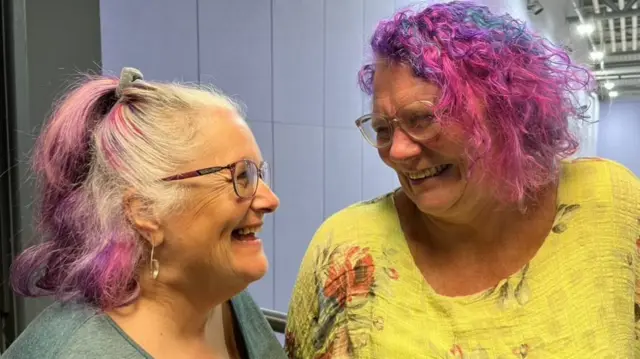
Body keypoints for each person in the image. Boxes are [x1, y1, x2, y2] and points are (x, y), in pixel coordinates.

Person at [285, 2, 640, 358]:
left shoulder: (609, 205)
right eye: (381, 129)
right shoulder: (345, 251)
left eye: (422, 119)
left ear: (507, 111)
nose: (398, 151)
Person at [4, 67, 287, 359]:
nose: (270, 199)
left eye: (259, 174)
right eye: (241, 177)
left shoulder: (223, 299)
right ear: (146, 212)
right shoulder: (83, 352)